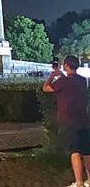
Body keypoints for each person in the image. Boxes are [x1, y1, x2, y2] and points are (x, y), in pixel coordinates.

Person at [42, 55, 90, 187]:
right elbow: (71, 82)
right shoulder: (83, 80)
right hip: (84, 120)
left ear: (67, 65)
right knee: (86, 152)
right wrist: (61, 74)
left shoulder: (63, 81)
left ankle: (79, 183)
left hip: (69, 121)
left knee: (74, 152)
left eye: (64, 64)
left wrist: (53, 75)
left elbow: (45, 88)